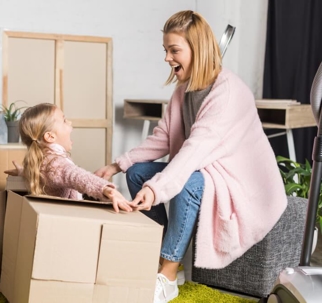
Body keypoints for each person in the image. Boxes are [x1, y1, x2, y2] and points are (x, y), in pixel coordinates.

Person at [95, 10, 287, 303]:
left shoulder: (228, 93)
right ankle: (162, 260)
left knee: (187, 180)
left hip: (240, 181)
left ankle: (169, 275)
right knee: (138, 173)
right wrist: (118, 165)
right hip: (206, 168)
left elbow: (194, 151)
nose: (167, 58)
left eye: (174, 50)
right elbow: (164, 137)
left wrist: (156, 188)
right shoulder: (184, 90)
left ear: (198, 49)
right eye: (165, 50)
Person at [4, 102, 134, 213]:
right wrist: (105, 189)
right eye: (64, 120)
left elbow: (41, 174)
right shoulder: (55, 163)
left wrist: (23, 172)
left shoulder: (42, 159)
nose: (69, 122)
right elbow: (78, 177)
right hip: (65, 216)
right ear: (50, 137)